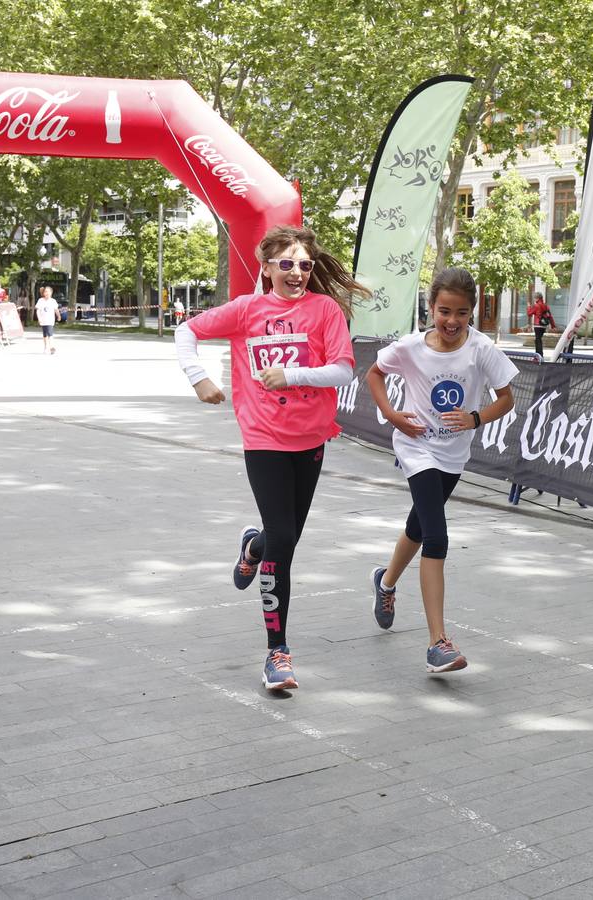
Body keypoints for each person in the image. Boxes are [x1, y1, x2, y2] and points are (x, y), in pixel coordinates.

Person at [175, 224, 367, 691]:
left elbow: (343, 370)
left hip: (312, 438)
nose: (297, 272)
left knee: (285, 537)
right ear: (266, 268)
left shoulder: (325, 311)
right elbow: (186, 331)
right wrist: (199, 376)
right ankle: (276, 651)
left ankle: (252, 549)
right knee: (285, 536)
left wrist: (293, 373)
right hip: (263, 437)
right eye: (287, 264)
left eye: (305, 265)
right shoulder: (246, 310)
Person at [364, 268, 517, 674]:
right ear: (431, 307)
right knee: (436, 536)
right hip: (416, 447)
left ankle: (385, 582)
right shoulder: (412, 347)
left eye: (461, 313)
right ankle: (438, 643)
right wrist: (393, 415)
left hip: (453, 454)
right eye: (444, 311)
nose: (451, 322)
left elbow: (506, 399)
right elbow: (374, 374)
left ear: (472, 313)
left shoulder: (481, 349)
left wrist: (476, 418)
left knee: (418, 526)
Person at [526, 291, 556, 356]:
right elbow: (550, 316)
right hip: (544, 325)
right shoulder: (546, 306)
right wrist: (553, 326)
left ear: (537, 298)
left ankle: (539, 355)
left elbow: (529, 314)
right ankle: (539, 355)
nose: (534, 299)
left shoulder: (536, 306)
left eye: (534, 298)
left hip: (537, 325)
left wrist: (528, 307)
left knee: (538, 340)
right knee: (538, 339)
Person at [34, 286, 59, 354]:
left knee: (50, 333)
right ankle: (45, 347)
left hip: (50, 320)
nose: (47, 293)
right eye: (45, 291)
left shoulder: (53, 301)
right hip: (43, 320)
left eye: (48, 291)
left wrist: (58, 316)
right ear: (44, 293)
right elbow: (38, 310)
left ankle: (52, 347)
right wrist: (39, 318)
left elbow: (56, 309)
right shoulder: (40, 300)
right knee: (45, 335)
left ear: (51, 293)